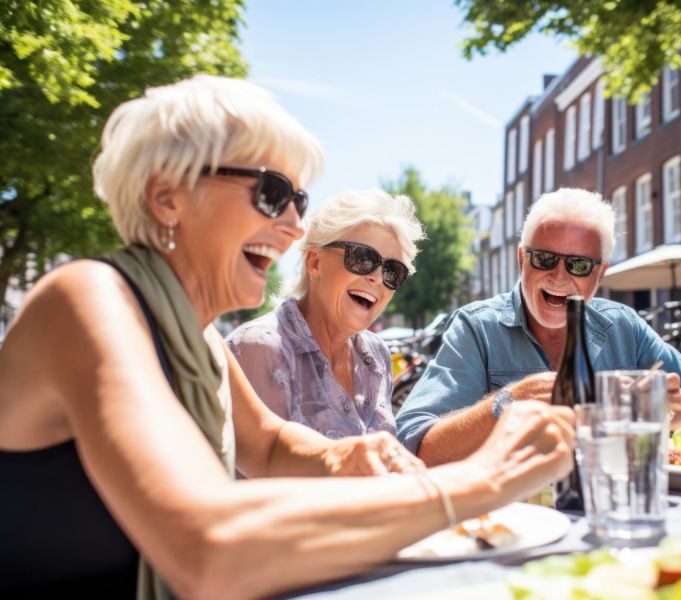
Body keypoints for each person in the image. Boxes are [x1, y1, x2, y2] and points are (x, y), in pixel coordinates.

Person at [0, 75, 575, 599]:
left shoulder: (190, 332)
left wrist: (348, 453)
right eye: (272, 192)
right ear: (167, 195)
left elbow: (271, 445)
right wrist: (481, 479)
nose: (297, 224)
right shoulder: (90, 299)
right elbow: (208, 547)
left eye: (299, 201)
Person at [396, 188, 681, 466]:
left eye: (579, 265)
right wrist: (507, 403)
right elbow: (414, 444)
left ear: (600, 274)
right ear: (522, 259)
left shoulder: (623, 325)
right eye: (545, 258)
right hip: (517, 521)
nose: (559, 275)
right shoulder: (477, 328)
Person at [226, 189, 424, 440]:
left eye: (392, 271)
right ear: (314, 262)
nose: (376, 277)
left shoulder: (377, 355)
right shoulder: (260, 346)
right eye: (363, 258)